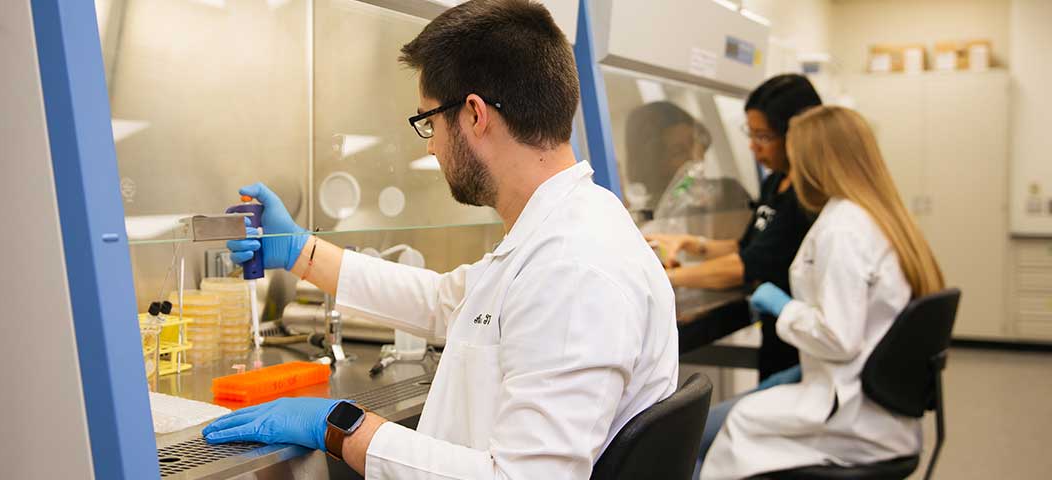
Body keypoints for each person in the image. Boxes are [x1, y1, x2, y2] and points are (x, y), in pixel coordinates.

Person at [201, 1, 679, 478]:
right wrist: (301, 252)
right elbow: (442, 302)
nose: (429, 145)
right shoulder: (564, 230)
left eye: (428, 121)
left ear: (474, 114)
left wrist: (340, 427)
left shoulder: (574, 268)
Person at [698, 106, 945, 479]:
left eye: (796, 161)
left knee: (733, 430)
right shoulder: (876, 216)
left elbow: (838, 337)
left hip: (852, 415)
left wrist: (784, 308)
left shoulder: (842, 229)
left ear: (816, 163)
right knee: (731, 420)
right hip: (876, 408)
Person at [646, 74, 822, 382]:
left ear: (796, 135)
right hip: (776, 335)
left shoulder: (806, 198)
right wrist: (691, 243)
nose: (753, 146)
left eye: (764, 137)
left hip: (800, 346)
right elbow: (749, 246)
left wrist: (667, 278)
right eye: (750, 134)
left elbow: (746, 266)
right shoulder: (775, 183)